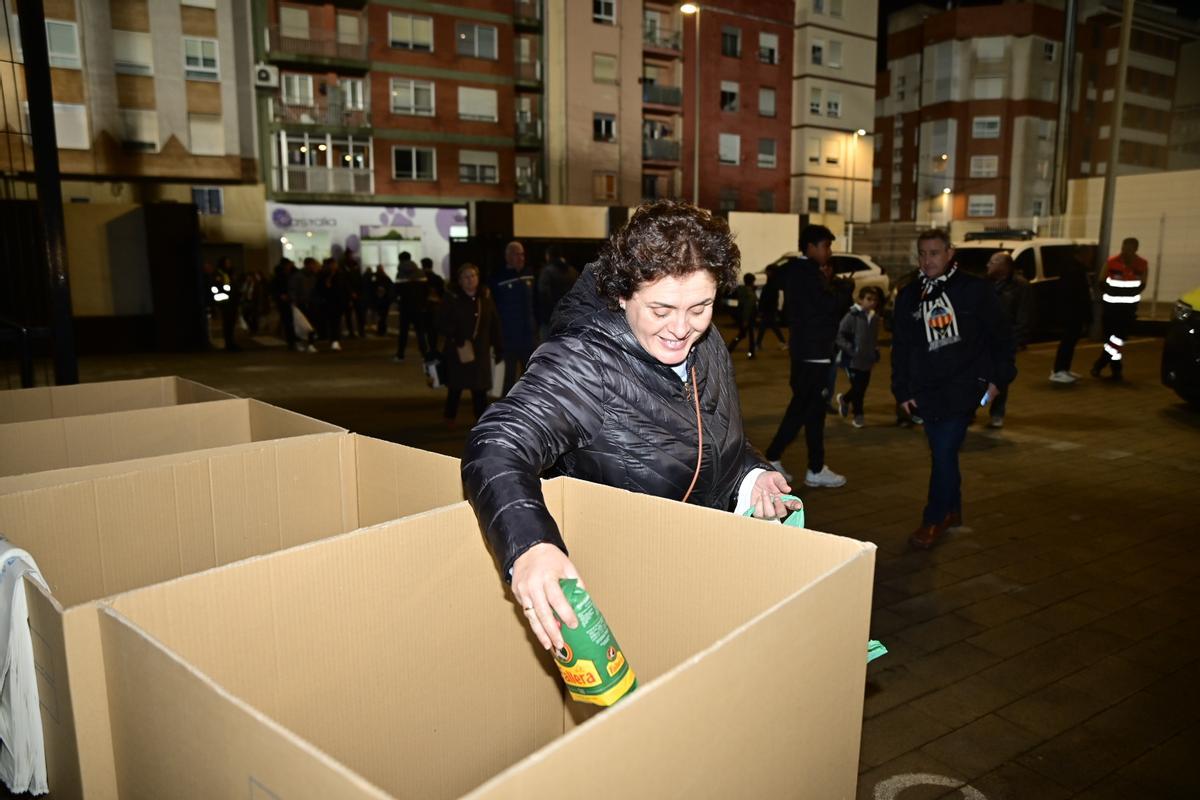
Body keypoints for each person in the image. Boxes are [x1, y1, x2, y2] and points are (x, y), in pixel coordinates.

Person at [461, 201, 799, 653]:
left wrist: (750, 474)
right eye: (660, 310)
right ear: (621, 294)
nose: (682, 329)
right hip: (628, 592)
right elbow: (496, 445)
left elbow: (707, 430)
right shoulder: (584, 361)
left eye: (701, 306)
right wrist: (531, 546)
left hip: (702, 575)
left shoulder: (708, 341)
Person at [891, 229, 1015, 550]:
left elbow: (1000, 337)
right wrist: (902, 391)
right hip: (926, 389)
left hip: (963, 386)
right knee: (942, 453)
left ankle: (933, 519)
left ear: (949, 253)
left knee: (944, 452)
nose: (927, 260)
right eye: (922, 253)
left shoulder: (975, 290)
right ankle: (952, 509)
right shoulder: (910, 295)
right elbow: (901, 348)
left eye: (934, 253)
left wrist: (998, 380)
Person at [762, 225, 847, 489]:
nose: (828, 252)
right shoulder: (808, 273)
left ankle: (816, 467)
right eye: (825, 246)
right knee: (802, 408)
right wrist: (844, 290)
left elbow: (772, 287)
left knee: (813, 411)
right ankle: (772, 458)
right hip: (813, 352)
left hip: (806, 350)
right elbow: (828, 308)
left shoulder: (793, 270)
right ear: (810, 247)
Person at [438, 263, 501, 425]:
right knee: (455, 386)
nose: (470, 280)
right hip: (459, 350)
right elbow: (440, 322)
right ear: (459, 280)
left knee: (479, 388)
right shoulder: (452, 297)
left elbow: (494, 322)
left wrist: (498, 344)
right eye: (466, 277)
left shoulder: (485, 297)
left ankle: (482, 419)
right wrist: (455, 336)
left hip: (480, 350)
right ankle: (449, 416)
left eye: (473, 276)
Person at [1091, 237, 1147, 381]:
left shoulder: (1142, 264)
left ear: (1135, 249)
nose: (1125, 251)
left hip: (1128, 309)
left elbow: (1142, 284)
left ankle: (1101, 364)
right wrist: (1113, 293)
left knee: (1117, 339)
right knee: (1112, 339)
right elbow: (1102, 281)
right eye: (1124, 247)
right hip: (1111, 308)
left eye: (1128, 248)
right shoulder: (1112, 261)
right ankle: (1115, 370)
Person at [985, 251, 1031, 428]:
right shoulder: (986, 283)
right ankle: (970, 409)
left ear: (1004, 266)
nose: (988, 265)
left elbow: (1024, 315)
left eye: (992, 262)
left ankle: (997, 413)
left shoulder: (1020, 286)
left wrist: (1017, 340)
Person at [490, 241, 537, 396]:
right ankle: (507, 410)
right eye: (517, 254)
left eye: (522, 254)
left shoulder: (529, 274)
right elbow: (493, 309)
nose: (521, 257)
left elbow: (536, 303)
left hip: (528, 336)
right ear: (507, 256)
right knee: (508, 377)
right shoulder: (498, 278)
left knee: (531, 376)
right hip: (508, 337)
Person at [834, 286, 884, 429]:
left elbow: (873, 338)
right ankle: (858, 415)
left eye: (875, 300)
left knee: (861, 387)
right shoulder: (852, 315)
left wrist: (875, 352)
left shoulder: (874, 317)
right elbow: (839, 334)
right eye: (868, 299)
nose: (872, 302)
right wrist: (851, 349)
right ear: (860, 300)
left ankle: (844, 399)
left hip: (867, 360)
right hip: (853, 360)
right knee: (858, 388)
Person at [1049, 250, 1092, 383]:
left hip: (1073, 312)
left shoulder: (1075, 269)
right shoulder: (1074, 270)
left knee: (1070, 341)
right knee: (1068, 341)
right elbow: (1077, 294)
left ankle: (1063, 369)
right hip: (1073, 312)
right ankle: (1059, 370)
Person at [535, 244, 579, 339]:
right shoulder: (573, 272)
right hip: (569, 321)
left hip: (551, 323)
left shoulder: (546, 272)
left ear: (548, 256)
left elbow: (543, 297)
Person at [394, 251, 429, 362]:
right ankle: (424, 354)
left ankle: (400, 355)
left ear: (400, 260)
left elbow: (396, 292)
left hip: (405, 308)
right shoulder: (420, 273)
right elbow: (425, 291)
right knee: (420, 332)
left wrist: (398, 302)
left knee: (403, 332)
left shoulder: (400, 274)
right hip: (418, 307)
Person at [314, 258, 348, 351]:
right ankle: (331, 339)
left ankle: (335, 340)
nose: (334, 266)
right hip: (327, 302)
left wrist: (346, 300)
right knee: (329, 321)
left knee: (336, 322)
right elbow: (319, 289)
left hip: (338, 302)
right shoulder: (323, 275)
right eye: (332, 264)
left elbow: (344, 288)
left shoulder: (340, 275)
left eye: (335, 264)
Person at [726, 273, 758, 358]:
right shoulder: (749, 292)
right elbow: (748, 307)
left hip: (745, 317)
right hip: (748, 317)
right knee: (744, 335)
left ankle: (731, 350)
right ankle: (750, 353)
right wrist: (746, 320)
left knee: (743, 335)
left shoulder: (743, 290)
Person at [755, 263, 787, 349]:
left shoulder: (773, 283)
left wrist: (762, 308)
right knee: (772, 326)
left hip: (769, 308)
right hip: (769, 308)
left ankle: (758, 343)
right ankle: (783, 341)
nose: (766, 273)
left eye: (768, 271)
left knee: (765, 326)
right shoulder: (772, 282)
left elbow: (769, 297)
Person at [418, 257, 445, 358]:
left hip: (422, 307)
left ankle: (424, 350)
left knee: (421, 329)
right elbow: (442, 294)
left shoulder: (420, 278)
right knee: (432, 330)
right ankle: (433, 349)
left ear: (422, 265)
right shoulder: (437, 278)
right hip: (435, 307)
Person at [269, 258, 297, 351]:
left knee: (288, 321)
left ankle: (292, 340)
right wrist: (281, 295)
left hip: (288, 300)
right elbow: (275, 289)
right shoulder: (281, 276)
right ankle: (291, 341)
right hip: (285, 301)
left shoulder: (288, 275)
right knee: (288, 322)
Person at [372, 265, 394, 336]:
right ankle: (382, 330)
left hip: (379, 300)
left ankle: (381, 330)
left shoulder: (375, 278)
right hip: (384, 300)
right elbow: (391, 287)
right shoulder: (385, 278)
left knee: (381, 316)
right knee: (383, 316)